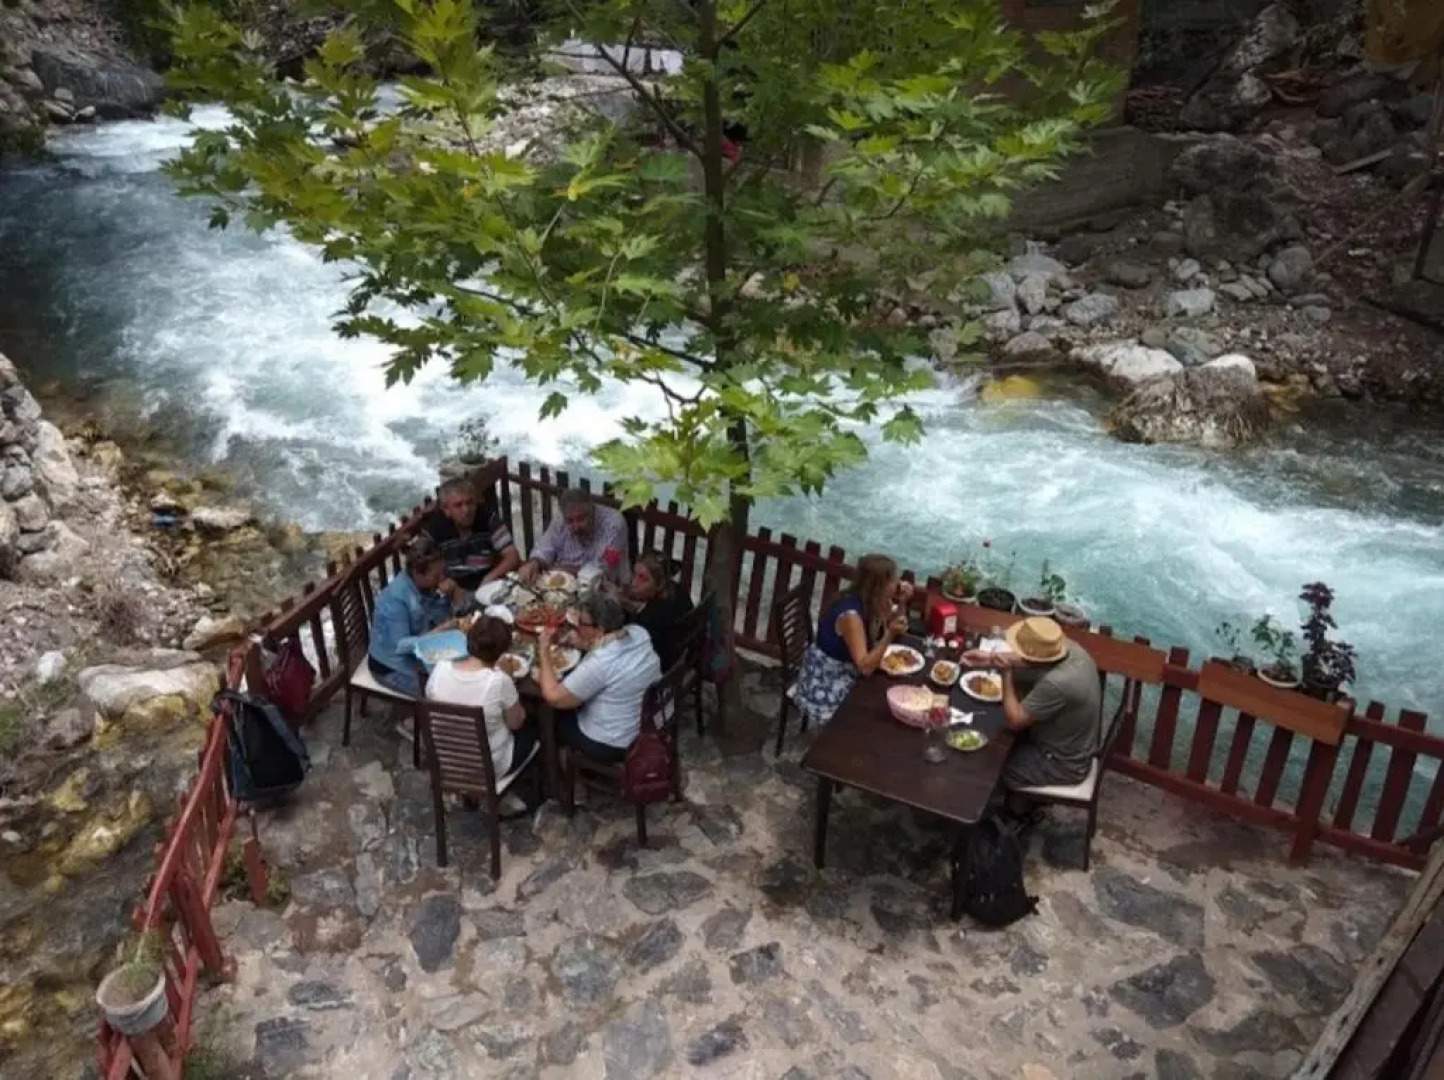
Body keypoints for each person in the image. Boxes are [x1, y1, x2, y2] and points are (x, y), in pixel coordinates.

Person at [426, 615, 536, 812]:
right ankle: (530, 794)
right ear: (501, 652)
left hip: (447, 760)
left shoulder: (440, 669)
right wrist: (509, 678)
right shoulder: (498, 681)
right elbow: (516, 723)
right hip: (488, 767)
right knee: (534, 725)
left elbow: (431, 698)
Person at [536, 592, 660, 764]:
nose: (578, 627)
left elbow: (553, 697)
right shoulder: (638, 632)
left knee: (545, 715)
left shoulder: (600, 662)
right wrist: (583, 643)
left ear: (600, 631)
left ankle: (552, 772)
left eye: (582, 623)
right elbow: (609, 647)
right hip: (644, 721)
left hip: (612, 741)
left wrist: (543, 651)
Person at [791, 553, 914, 725]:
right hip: (826, 683)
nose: (898, 584)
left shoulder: (874, 601)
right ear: (879, 585)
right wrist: (889, 635)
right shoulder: (850, 616)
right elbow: (865, 668)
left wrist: (902, 602)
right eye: (893, 580)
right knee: (880, 709)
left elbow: (896, 622)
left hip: (847, 669)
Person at [991, 616, 1101, 794]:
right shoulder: (1071, 649)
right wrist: (990, 658)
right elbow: (1028, 660)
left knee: (994, 765)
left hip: (1061, 763)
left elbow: (1014, 720)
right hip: (1071, 744)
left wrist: (1006, 674)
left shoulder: (1057, 682)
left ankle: (1015, 807)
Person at [368, 536, 462, 703]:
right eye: (436, 575)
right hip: (391, 666)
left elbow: (445, 615)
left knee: (467, 665)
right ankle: (420, 717)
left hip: (422, 649)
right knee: (444, 693)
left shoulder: (429, 586)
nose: (442, 578)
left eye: (443, 571)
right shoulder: (396, 598)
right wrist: (438, 631)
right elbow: (401, 646)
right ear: (418, 573)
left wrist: (453, 593)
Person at [420, 478, 521, 591]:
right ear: (446, 510)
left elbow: (512, 556)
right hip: (452, 588)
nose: (466, 510)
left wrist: (489, 579)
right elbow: (420, 565)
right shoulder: (435, 528)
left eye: (470, 503)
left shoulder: (488, 519)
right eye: (458, 505)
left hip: (486, 582)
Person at [517, 489, 631, 586]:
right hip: (563, 586)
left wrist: (564, 569)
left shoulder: (613, 524)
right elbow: (544, 547)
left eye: (581, 519)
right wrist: (535, 563)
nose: (576, 527)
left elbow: (604, 570)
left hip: (605, 589)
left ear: (593, 510)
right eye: (570, 521)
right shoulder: (561, 519)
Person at [626, 552, 694, 669]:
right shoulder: (677, 591)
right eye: (635, 574)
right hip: (680, 654)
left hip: (659, 666)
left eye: (643, 578)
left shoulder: (648, 620)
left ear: (660, 584)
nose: (634, 583)